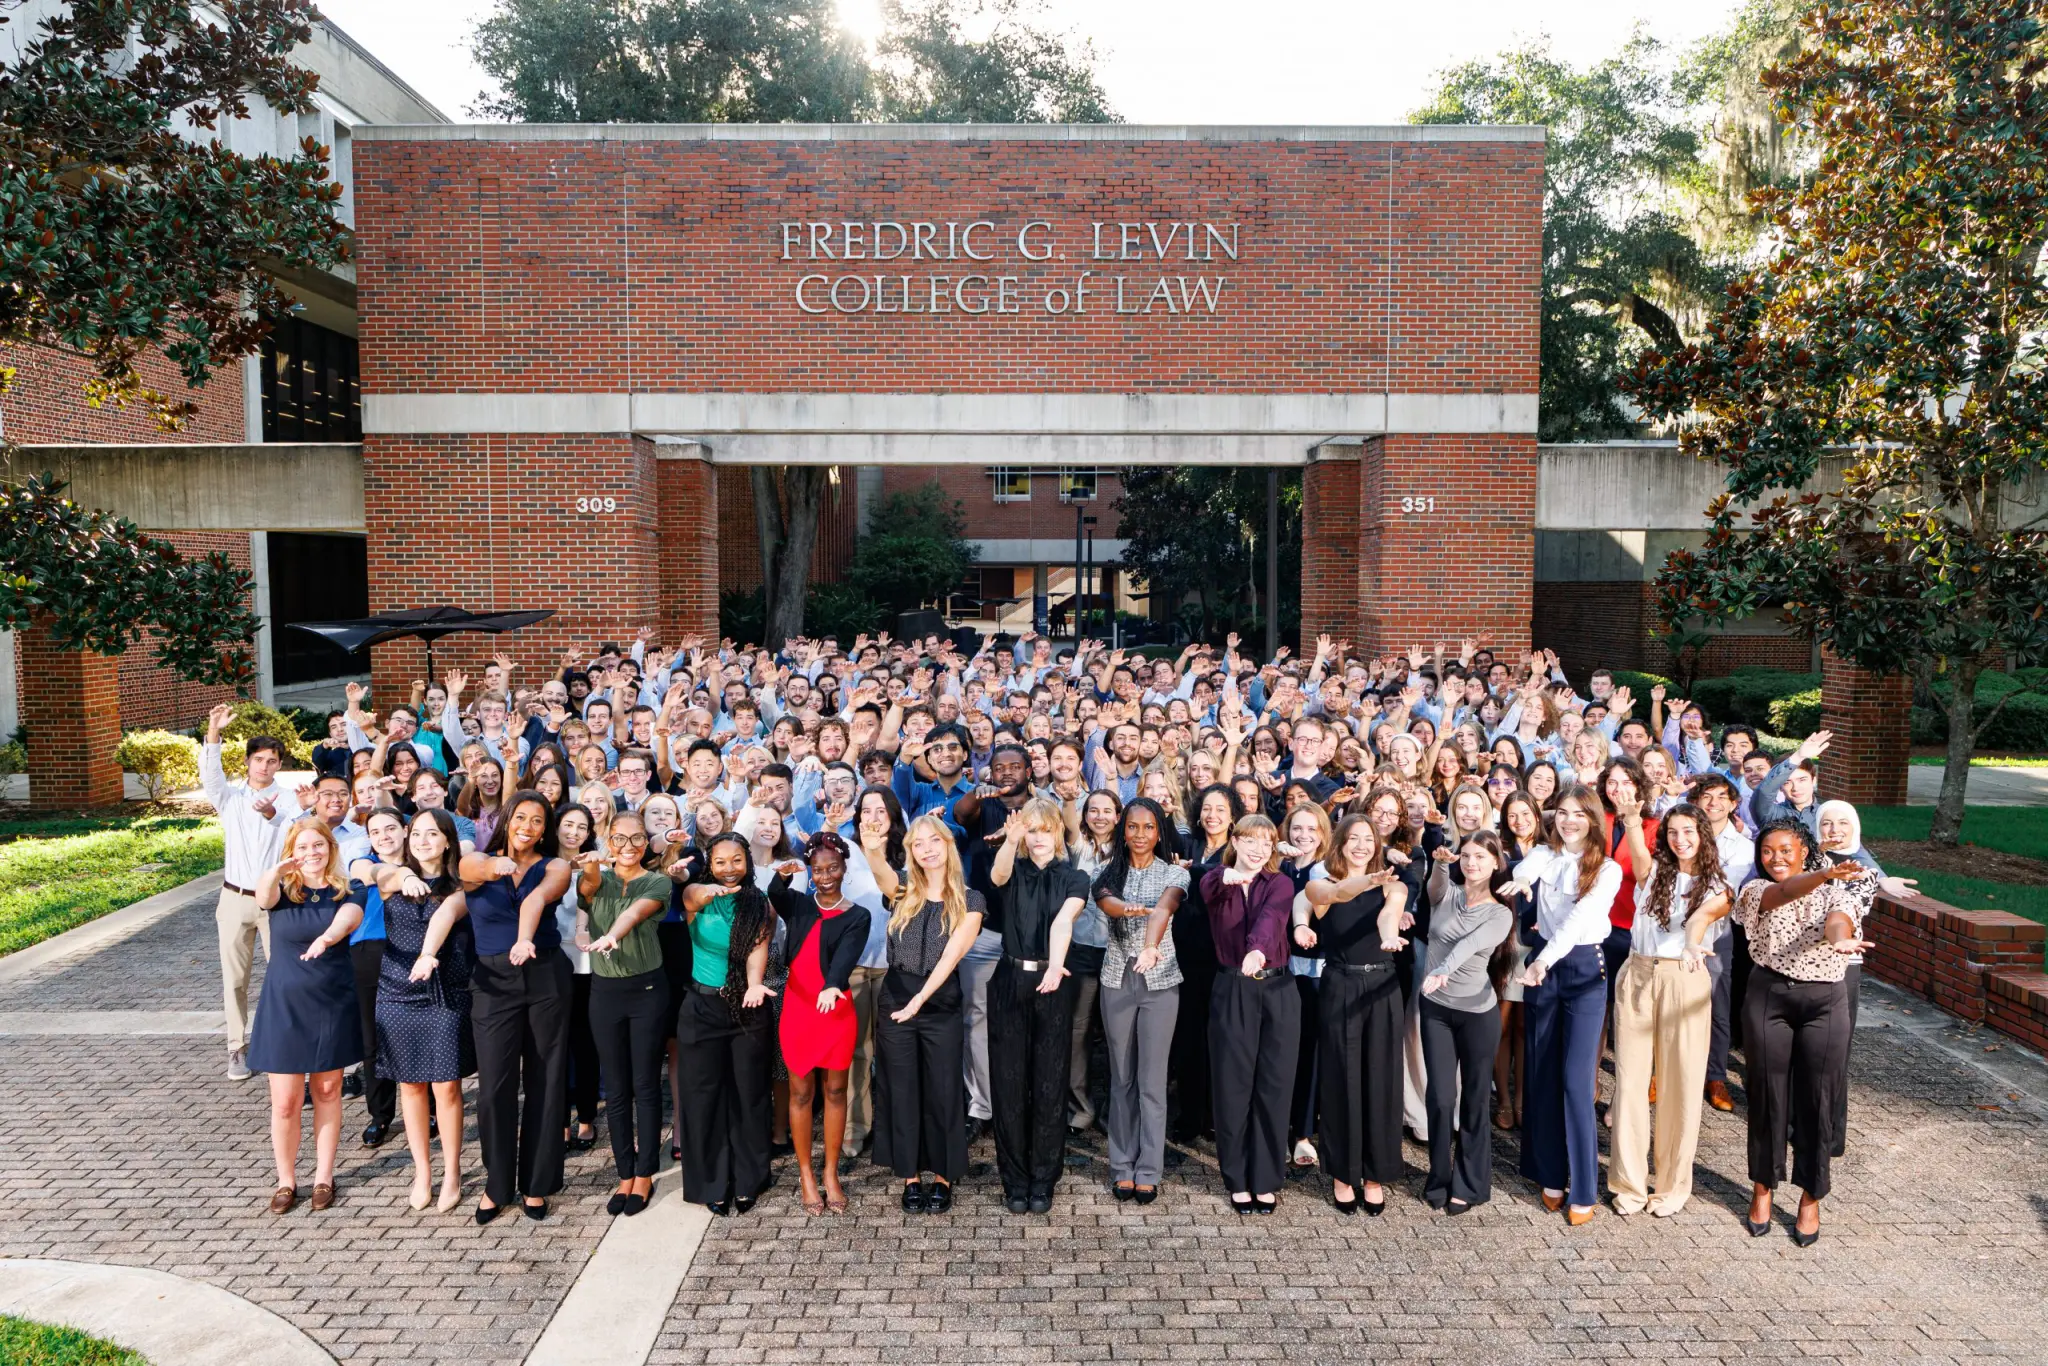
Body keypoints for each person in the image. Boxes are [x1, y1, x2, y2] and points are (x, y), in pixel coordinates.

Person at [1730, 818, 1872, 1246]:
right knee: (1766, 1095)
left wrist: (1841, 940)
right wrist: (1823, 872)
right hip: (1769, 994)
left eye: (1786, 850)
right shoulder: (1755, 890)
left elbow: (1837, 921)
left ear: (1804, 851)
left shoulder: (1836, 889)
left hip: (1825, 1000)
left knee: (1818, 1098)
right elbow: (1783, 894)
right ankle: (1762, 1189)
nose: (1776, 859)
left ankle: (1811, 1197)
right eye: (1768, 851)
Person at [1608, 800, 1729, 1218]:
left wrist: (1695, 942)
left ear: (1703, 836)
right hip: (1638, 974)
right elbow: (1639, 856)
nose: (1680, 839)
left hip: (1684, 979)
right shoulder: (1656, 874)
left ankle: (1673, 1186)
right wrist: (1630, 819)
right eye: (1673, 832)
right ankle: (1628, 1184)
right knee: (1630, 1084)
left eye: (1689, 832)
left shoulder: (1717, 887)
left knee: (1680, 1086)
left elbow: (1700, 921)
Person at [457, 792, 572, 1223]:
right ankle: (497, 1183)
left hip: (544, 975)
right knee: (494, 1088)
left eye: (537, 820)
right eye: (520, 817)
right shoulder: (476, 861)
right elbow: (474, 870)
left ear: (546, 828)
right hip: (492, 982)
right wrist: (495, 866)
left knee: (546, 1079)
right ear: (507, 820)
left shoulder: (556, 866)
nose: (527, 825)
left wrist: (524, 939)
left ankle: (537, 1185)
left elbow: (535, 900)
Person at [1510, 783, 1622, 1226]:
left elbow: (1578, 921)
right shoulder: (1546, 855)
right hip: (1543, 966)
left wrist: (1542, 960)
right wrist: (1519, 881)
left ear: (1594, 819)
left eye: (1579, 813)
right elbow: (1527, 868)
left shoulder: (1608, 869)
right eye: (1562, 812)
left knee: (1577, 1083)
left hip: (1580, 971)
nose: (1569, 820)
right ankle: (1550, 1174)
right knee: (1541, 1074)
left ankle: (1584, 1187)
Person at [247, 818, 365, 1214]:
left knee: (328, 1091)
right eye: (303, 847)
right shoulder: (281, 891)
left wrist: (327, 938)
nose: (312, 853)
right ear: (292, 851)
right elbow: (262, 900)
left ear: (331, 848)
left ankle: (323, 1176)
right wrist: (277, 871)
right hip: (284, 1006)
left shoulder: (347, 889)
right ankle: (285, 1180)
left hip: (331, 1002)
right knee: (285, 1101)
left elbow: (349, 918)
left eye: (319, 846)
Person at [874, 813, 986, 1213]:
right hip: (895, 995)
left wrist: (921, 999)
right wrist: (872, 846)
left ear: (948, 845)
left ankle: (941, 1174)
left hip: (938, 1001)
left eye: (933, 841)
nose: (926, 849)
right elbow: (880, 873)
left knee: (942, 1087)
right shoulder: (902, 891)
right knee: (901, 1087)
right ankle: (909, 1175)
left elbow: (953, 954)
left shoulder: (971, 899)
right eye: (918, 844)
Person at [986, 798, 1089, 1214]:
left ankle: (1044, 1179)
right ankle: (1014, 1180)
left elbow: (1065, 920)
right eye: (1032, 830)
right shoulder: (1013, 867)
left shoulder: (1074, 876)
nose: (1039, 838)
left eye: (1046, 830)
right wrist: (1010, 842)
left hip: (1054, 980)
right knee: (1009, 1083)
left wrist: (1056, 964)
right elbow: (997, 875)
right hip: (1009, 978)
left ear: (1058, 834)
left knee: (1049, 1082)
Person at [372, 808, 476, 1214]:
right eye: (416, 834)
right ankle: (422, 1172)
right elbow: (377, 873)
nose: (422, 841)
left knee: (446, 1087)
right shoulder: (391, 877)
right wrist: (405, 875)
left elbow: (448, 912)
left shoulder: (464, 883)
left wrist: (428, 953)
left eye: (432, 834)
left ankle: (452, 1172)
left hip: (444, 990)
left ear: (448, 840)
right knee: (409, 1085)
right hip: (396, 989)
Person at [1305, 815, 1406, 1215]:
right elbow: (1336, 894)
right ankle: (1343, 1174)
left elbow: (1389, 913)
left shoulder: (1394, 885)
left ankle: (1376, 1173)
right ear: (1341, 843)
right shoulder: (1321, 885)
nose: (1362, 845)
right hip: (1340, 985)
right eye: (1354, 839)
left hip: (1382, 985)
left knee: (1380, 1080)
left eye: (1370, 839)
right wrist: (1367, 880)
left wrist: (1387, 935)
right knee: (1341, 1078)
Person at [573, 811, 673, 1217]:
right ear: (608, 841)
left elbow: (635, 913)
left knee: (645, 1083)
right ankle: (624, 1173)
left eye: (636, 840)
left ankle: (646, 1172)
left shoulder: (658, 880)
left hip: (647, 990)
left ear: (647, 845)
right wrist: (594, 866)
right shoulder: (599, 876)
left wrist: (612, 934)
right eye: (619, 839)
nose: (628, 847)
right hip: (604, 992)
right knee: (615, 1088)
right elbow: (590, 887)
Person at [675, 832, 779, 1215]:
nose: (729, 869)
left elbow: (758, 948)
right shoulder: (696, 895)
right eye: (721, 861)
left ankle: (748, 1179)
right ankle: (712, 1183)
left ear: (748, 862)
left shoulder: (759, 904)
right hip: (701, 1007)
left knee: (749, 1096)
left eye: (737, 860)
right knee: (703, 1098)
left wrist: (754, 985)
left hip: (746, 1008)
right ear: (709, 863)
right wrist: (709, 891)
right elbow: (694, 896)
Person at [1091, 797, 1188, 1204]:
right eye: (1133, 827)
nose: (1140, 835)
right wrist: (1129, 910)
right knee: (1122, 1078)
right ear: (1122, 829)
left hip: (1160, 982)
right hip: (1117, 980)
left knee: (1151, 1081)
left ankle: (1149, 1168)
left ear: (1159, 831)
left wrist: (1150, 945)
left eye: (1149, 827)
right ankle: (1121, 1166)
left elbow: (1164, 908)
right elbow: (1108, 903)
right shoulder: (1105, 871)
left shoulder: (1175, 873)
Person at [1202, 813, 1299, 1214]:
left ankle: (1266, 1177)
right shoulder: (1214, 878)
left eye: (1268, 842)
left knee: (1273, 1086)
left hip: (1277, 988)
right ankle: (1237, 1177)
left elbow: (1272, 919)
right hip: (1232, 989)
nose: (1260, 849)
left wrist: (1257, 949)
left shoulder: (1280, 882)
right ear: (1236, 841)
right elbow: (1212, 892)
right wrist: (1227, 880)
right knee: (1233, 1087)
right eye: (1252, 840)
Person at [770, 832, 871, 1215]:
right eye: (818, 869)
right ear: (810, 872)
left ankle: (830, 1173)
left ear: (845, 868)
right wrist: (782, 875)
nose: (825, 875)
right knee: (799, 1093)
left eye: (832, 868)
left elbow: (847, 955)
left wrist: (832, 986)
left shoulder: (857, 915)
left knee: (835, 1091)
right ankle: (806, 1175)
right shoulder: (797, 904)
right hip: (798, 1008)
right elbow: (774, 895)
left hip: (835, 1009)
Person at [199, 703, 297, 1082]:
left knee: (283, 976)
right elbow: (211, 777)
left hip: (278, 900)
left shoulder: (287, 799)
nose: (265, 766)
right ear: (248, 761)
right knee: (235, 978)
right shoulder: (230, 798)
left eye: (272, 761)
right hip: (234, 897)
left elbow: (292, 826)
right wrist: (213, 730)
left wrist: (273, 816)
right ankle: (236, 1048)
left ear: (279, 765)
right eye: (259, 759)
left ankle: (285, 1045)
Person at [1418, 831, 1513, 1212]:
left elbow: (1468, 946)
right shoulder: (1449, 893)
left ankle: (1470, 1183)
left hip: (1477, 1015)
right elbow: (1434, 887)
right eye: (1467, 856)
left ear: (1495, 864)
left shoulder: (1500, 913)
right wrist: (1441, 861)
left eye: (1481, 857)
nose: (1472, 863)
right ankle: (1438, 1176)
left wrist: (1443, 968)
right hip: (1436, 1010)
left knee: (1473, 1100)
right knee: (1441, 1097)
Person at [1170, 784, 1241, 1144]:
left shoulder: (1237, 850)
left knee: (1220, 1037)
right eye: (1207, 808)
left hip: (1222, 955)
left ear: (1232, 816)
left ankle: (1216, 1114)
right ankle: (1189, 1113)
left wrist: (1192, 871)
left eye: (1221, 809)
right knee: (1188, 1037)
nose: (1213, 815)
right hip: (1185, 952)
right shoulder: (1188, 847)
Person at [344, 807, 405, 1148]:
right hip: (368, 951)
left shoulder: (421, 858)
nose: (383, 836)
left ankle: (427, 1111)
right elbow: (369, 875)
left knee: (411, 1033)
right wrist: (402, 873)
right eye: (376, 831)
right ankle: (380, 1115)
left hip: (411, 948)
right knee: (373, 1040)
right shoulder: (361, 863)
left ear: (405, 830)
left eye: (390, 828)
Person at [552, 804, 601, 1153]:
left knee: (584, 1042)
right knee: (556, 1044)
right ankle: (559, 1119)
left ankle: (585, 1117)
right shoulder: (544, 863)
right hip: (550, 960)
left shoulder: (593, 865)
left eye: (581, 827)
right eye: (568, 825)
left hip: (585, 960)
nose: (573, 832)